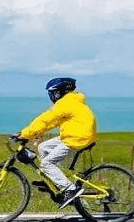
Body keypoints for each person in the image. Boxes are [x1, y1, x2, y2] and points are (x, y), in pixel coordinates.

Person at [16, 77, 97, 209]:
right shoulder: (71, 101)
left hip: (77, 138)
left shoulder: (66, 103)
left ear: (60, 92)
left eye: (53, 93)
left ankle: (70, 189)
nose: (52, 96)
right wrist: (35, 133)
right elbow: (53, 122)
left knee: (46, 164)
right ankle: (52, 180)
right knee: (43, 147)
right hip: (73, 135)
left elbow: (46, 119)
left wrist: (25, 133)